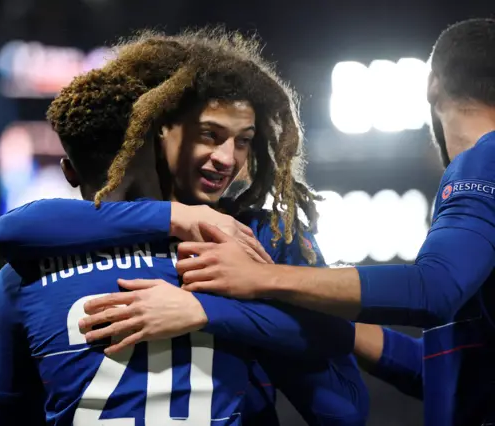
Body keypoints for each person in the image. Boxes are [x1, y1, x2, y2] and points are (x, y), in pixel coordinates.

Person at [0, 30, 368, 425]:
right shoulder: (257, 240)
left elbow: (13, 229)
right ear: (157, 128)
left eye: (244, 141)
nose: (227, 158)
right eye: (210, 134)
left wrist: (207, 312)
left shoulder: (28, 268)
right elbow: (343, 408)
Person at [169, 18, 495, 426]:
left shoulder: (487, 158)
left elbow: (433, 289)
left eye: (243, 140)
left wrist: (261, 279)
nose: (227, 156)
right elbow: (455, 376)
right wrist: (300, 313)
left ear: (432, 83)